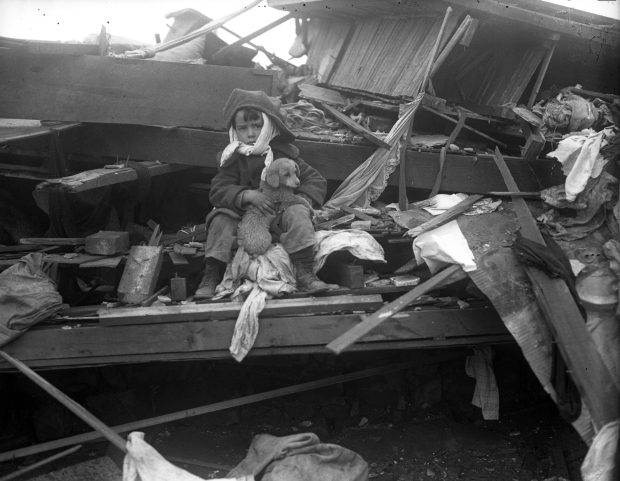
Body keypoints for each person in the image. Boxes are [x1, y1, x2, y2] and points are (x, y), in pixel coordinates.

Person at [194, 88, 333, 299]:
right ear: (235, 131)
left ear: (269, 126)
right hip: (244, 221)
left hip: (278, 219)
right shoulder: (232, 159)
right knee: (220, 219)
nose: (250, 133)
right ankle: (212, 273)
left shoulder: (283, 154)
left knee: (298, 213)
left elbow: (314, 180)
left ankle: (305, 271)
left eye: (257, 126)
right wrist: (247, 195)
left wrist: (300, 200)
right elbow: (219, 190)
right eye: (243, 128)